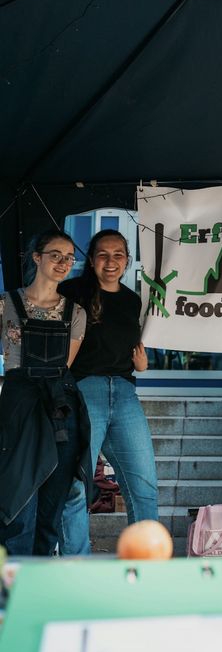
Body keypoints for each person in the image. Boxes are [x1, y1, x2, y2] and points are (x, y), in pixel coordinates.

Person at [58, 229, 158, 555]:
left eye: (118, 255)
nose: (110, 261)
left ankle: (147, 560)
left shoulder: (132, 300)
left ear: (127, 260)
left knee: (144, 485)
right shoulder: (72, 292)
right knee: (74, 485)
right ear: (91, 259)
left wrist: (141, 364)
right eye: (103, 254)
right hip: (84, 391)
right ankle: (76, 563)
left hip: (125, 394)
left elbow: (129, 347)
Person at [0, 230, 91, 555]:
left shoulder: (76, 313)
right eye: (56, 255)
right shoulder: (5, 305)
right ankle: (13, 579)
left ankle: (38, 577)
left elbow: (63, 368)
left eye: (69, 257)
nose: (64, 262)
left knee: (52, 506)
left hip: (60, 412)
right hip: (18, 411)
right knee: (17, 502)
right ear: (37, 257)